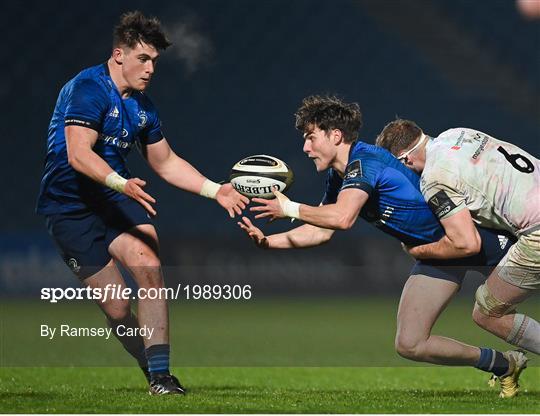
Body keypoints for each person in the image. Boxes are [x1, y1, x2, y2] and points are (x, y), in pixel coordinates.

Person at [238, 95, 527, 398]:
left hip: (477, 238)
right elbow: (321, 232)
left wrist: (291, 208)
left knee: (505, 311)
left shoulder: (365, 162)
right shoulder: (340, 177)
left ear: (335, 135)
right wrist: (268, 242)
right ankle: (503, 364)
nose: (305, 148)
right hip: (437, 254)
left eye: (310, 138)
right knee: (410, 343)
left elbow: (343, 217)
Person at [36, 11, 248, 395]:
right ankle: (146, 361)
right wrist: (121, 182)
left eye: (155, 61)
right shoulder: (87, 88)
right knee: (117, 309)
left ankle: (162, 377)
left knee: (150, 265)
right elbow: (77, 154)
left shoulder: (143, 107)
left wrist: (215, 189)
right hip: (68, 207)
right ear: (119, 54)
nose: (150, 69)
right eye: (143, 59)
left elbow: (165, 162)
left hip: (114, 197)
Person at [376, 120, 539, 374]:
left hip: (536, 232)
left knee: (488, 312)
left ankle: (506, 364)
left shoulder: (434, 179)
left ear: (404, 161)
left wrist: (417, 251)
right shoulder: (458, 133)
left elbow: (466, 244)